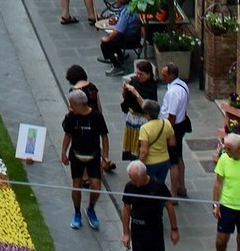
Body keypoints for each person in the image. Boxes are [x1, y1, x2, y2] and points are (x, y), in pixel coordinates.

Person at [61, 89, 110, 231]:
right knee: (76, 185)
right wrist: (63, 152)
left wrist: (105, 157)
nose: (70, 107)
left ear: (78, 104)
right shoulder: (71, 117)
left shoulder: (96, 116)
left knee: (96, 186)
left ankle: (91, 208)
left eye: (72, 104)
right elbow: (67, 135)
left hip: (93, 155)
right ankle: (77, 212)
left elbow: (104, 137)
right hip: (76, 155)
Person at [122, 160, 180, 251]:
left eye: (135, 180)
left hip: (154, 228)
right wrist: (126, 233)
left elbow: (169, 207)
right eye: (131, 179)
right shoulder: (129, 187)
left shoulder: (158, 186)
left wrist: (174, 229)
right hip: (137, 229)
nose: (133, 182)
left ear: (143, 175)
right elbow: (126, 209)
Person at [160, 62, 191, 199]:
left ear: (172, 75)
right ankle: (181, 187)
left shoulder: (172, 92)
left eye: (164, 75)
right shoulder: (183, 85)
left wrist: (167, 133)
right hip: (181, 124)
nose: (162, 77)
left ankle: (173, 193)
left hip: (173, 128)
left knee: (173, 162)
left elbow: (171, 116)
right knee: (179, 157)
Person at [118, 60, 158, 161]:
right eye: (137, 73)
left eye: (141, 74)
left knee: (141, 144)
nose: (138, 76)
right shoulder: (134, 81)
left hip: (143, 118)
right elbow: (125, 97)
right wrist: (125, 90)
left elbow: (146, 106)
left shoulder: (152, 86)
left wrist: (135, 92)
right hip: (132, 117)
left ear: (149, 74)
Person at [99, 0, 142, 75]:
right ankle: (120, 56)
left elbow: (118, 31)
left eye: (116, 0)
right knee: (111, 38)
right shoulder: (129, 8)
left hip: (130, 39)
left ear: (119, 2)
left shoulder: (126, 12)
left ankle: (117, 67)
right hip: (134, 36)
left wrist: (107, 39)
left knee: (105, 44)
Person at [138, 100, 177, 185]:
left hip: (150, 163)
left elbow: (144, 151)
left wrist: (139, 164)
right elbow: (172, 143)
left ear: (147, 114)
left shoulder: (144, 128)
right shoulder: (166, 123)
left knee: (149, 186)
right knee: (159, 185)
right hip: (164, 161)